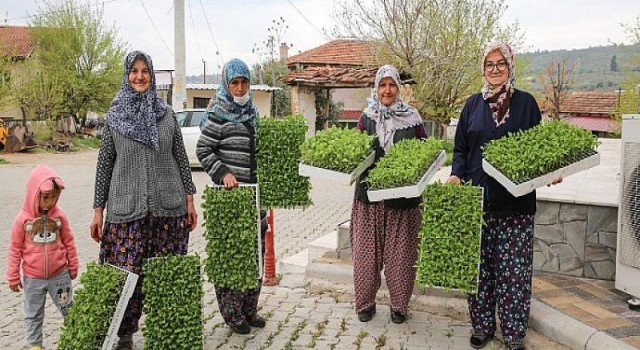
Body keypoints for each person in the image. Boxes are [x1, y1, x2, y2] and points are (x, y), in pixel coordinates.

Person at [447, 42, 560, 350]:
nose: (495, 69)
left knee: (514, 275)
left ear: (511, 66)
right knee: (479, 270)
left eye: (501, 63)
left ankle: (513, 334)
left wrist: (551, 171)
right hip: (477, 202)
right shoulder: (472, 105)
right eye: (489, 64)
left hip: (515, 204)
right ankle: (482, 327)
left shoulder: (526, 104)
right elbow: (461, 149)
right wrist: (456, 174)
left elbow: (538, 148)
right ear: (483, 69)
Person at [90, 50, 198, 350]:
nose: (139, 76)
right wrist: (98, 211)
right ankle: (124, 333)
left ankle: (168, 332)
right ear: (127, 76)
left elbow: (180, 159)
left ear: (152, 76)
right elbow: (104, 166)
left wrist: (190, 200)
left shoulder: (166, 115)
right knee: (126, 274)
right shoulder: (114, 118)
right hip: (126, 210)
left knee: (165, 275)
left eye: (145, 71)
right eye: (134, 71)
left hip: (168, 209)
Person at [350, 64, 427, 324]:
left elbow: (425, 152)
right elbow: (356, 151)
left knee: (401, 256)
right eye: (382, 85)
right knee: (365, 256)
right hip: (369, 198)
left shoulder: (413, 117)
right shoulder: (367, 116)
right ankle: (365, 304)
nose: (387, 90)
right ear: (376, 87)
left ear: (398, 88)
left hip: (402, 200)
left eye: (392, 84)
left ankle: (399, 306)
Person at [196, 58, 266, 335]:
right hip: (230, 198)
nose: (239, 88)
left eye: (244, 82)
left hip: (254, 198)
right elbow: (203, 150)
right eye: (234, 83)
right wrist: (223, 172)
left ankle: (250, 309)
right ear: (226, 84)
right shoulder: (218, 113)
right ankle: (232, 314)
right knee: (231, 256)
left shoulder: (252, 113)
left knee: (253, 254)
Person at [6, 164, 79, 350]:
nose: (50, 202)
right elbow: (14, 249)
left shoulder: (59, 217)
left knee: (69, 308)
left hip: (59, 276)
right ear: (34, 194)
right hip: (33, 278)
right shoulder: (22, 220)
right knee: (33, 313)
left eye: (54, 197)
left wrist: (73, 265)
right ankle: (35, 345)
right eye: (46, 197)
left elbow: (69, 241)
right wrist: (13, 275)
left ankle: (77, 338)